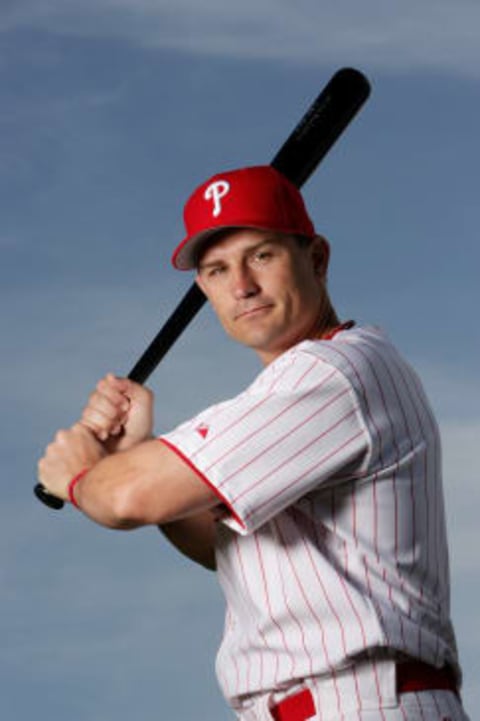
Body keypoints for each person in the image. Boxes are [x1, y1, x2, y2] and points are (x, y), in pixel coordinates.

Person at [38, 165, 470, 721]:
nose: (241, 285)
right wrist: (126, 457)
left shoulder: (333, 371)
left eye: (261, 256)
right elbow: (229, 550)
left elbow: (126, 500)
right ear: (204, 289)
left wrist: (81, 475)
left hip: (361, 701)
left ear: (316, 258)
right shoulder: (296, 394)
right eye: (217, 269)